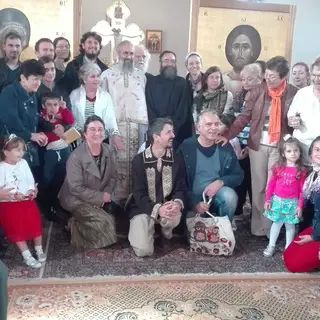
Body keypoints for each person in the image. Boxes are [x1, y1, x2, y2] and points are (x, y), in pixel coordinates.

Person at [219, 56, 299, 237]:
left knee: (275, 187)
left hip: (280, 146)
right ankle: (259, 227)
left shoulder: (294, 93)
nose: (269, 80)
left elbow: (297, 118)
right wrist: (228, 135)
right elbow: (244, 117)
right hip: (257, 145)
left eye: (273, 77)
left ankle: (272, 228)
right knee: (259, 186)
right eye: (267, 75)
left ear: (284, 77)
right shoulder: (257, 91)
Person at [128, 118, 186, 257]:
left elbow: (181, 188)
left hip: (168, 209)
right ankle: (151, 231)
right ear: (156, 137)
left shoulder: (177, 160)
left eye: (173, 131)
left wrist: (176, 204)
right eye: (168, 132)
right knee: (143, 251)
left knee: (173, 216)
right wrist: (158, 209)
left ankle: (166, 234)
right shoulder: (138, 161)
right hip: (143, 209)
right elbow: (138, 194)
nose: (173, 135)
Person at [58, 115, 118, 249]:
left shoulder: (109, 150)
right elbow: (76, 188)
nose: (97, 133)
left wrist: (106, 194)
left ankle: (81, 223)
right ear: (85, 134)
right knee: (106, 222)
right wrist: (100, 197)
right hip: (76, 199)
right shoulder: (75, 157)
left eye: (100, 129)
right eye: (92, 129)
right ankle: (72, 226)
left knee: (119, 221)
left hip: (99, 197)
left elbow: (113, 176)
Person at [101, 40, 148, 203]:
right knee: (115, 164)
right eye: (125, 53)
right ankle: (114, 201)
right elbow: (103, 105)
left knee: (136, 163)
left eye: (131, 53)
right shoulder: (106, 75)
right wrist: (111, 132)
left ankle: (133, 201)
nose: (128, 57)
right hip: (115, 127)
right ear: (117, 54)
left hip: (137, 127)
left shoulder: (141, 75)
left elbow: (143, 104)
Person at [179, 111, 243, 224]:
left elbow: (238, 175)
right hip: (192, 198)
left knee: (230, 197)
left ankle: (224, 227)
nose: (214, 128)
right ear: (199, 127)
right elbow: (179, 181)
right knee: (194, 231)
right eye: (209, 124)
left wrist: (221, 182)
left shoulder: (224, 147)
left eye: (216, 124)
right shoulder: (187, 147)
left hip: (216, 197)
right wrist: (194, 203)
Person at [0, 135, 46, 268]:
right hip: (10, 204)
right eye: (17, 150)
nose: (21, 153)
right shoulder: (2, 167)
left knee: (35, 224)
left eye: (22, 150)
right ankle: (27, 255)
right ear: (6, 152)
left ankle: (39, 249)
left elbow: (30, 180)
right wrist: (15, 194)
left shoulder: (24, 163)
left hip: (27, 201)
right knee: (17, 229)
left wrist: (32, 190)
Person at [0, 59, 48, 178]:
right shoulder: (9, 92)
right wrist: (31, 135)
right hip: (11, 149)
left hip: (29, 149)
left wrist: (41, 133)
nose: (38, 83)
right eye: (35, 79)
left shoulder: (33, 94)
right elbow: (11, 120)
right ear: (23, 78)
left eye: (40, 80)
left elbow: (35, 119)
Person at [263, 136, 307, 257]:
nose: (293, 154)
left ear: (299, 152)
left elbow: (302, 190)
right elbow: (271, 184)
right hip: (277, 201)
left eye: (295, 150)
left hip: (292, 203)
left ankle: (288, 248)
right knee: (276, 224)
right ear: (283, 153)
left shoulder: (301, 170)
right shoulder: (278, 167)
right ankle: (271, 245)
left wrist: (300, 206)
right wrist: (268, 199)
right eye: (289, 151)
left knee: (290, 225)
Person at [284, 136, 320, 272]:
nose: (319, 153)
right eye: (317, 149)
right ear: (310, 154)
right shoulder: (313, 175)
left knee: (295, 264)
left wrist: (313, 237)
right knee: (289, 256)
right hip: (317, 226)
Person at [146, 50, 193, 148]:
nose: (169, 64)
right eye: (166, 61)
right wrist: (159, 129)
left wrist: (170, 130)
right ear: (161, 63)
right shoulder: (151, 83)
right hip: (157, 134)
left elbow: (183, 111)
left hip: (177, 134)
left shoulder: (183, 84)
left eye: (172, 61)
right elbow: (149, 108)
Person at [233, 63, 263, 215]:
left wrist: (249, 146)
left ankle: (255, 214)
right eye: (243, 79)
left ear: (260, 79)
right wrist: (237, 143)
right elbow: (236, 120)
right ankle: (237, 209)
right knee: (240, 176)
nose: (245, 82)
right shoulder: (240, 96)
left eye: (250, 79)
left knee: (255, 179)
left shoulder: (264, 96)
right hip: (239, 142)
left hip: (255, 144)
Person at [70, 62, 122, 150]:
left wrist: (115, 135)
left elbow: (111, 119)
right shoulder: (74, 95)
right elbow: (71, 118)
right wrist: (83, 133)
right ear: (84, 79)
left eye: (98, 76)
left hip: (101, 140)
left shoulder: (105, 96)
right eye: (93, 76)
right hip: (81, 139)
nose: (97, 79)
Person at [288, 58, 320, 166]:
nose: (316, 79)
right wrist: (292, 121)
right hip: (301, 150)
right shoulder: (302, 93)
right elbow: (291, 115)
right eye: (314, 75)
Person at [223, 25, 262, 99]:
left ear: (252, 52)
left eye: (245, 47)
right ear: (230, 51)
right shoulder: (221, 80)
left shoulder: (258, 84)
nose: (240, 53)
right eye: (236, 47)